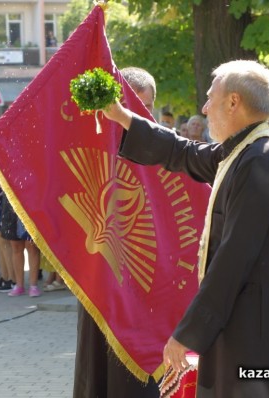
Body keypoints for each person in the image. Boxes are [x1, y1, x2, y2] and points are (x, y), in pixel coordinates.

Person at [102, 60, 269, 397]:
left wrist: (187, 333)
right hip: (252, 316)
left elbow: (234, 258)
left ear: (233, 102)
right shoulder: (249, 149)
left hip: (257, 326)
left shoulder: (260, 159)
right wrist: (121, 116)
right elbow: (184, 152)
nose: (204, 108)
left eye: (210, 97)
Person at [73, 66, 161, 398]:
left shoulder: (167, 148)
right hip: (100, 277)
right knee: (97, 365)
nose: (139, 115)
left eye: (147, 106)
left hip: (149, 280)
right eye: (132, 105)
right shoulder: (92, 146)